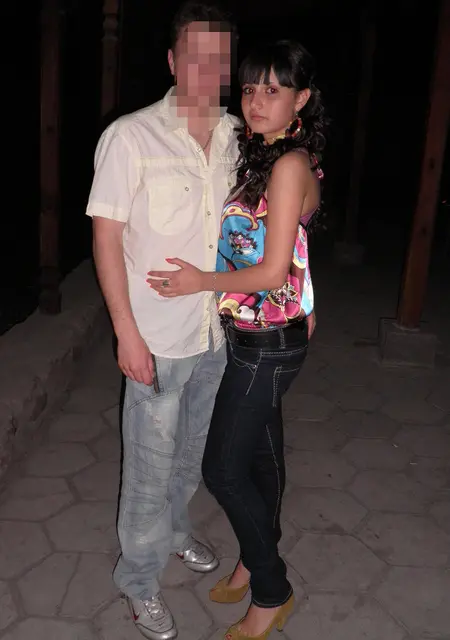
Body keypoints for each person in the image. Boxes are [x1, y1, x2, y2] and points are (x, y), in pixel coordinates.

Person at [147, 39, 326, 640]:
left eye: (273, 90)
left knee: (222, 470)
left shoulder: (288, 164)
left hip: (266, 342)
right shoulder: (269, 156)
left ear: (301, 98)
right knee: (261, 458)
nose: (256, 101)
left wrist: (199, 282)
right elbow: (296, 246)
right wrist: (308, 297)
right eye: (250, 88)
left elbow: (272, 270)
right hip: (258, 332)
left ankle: (272, 590)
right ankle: (254, 557)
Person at [85, 2, 241, 638]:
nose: (206, 71)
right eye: (194, 57)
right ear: (174, 61)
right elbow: (106, 237)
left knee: (191, 455)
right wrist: (126, 333)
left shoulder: (237, 136)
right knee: (148, 471)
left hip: (214, 334)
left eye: (218, 60)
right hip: (155, 338)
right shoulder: (131, 138)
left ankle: (176, 533)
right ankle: (139, 581)